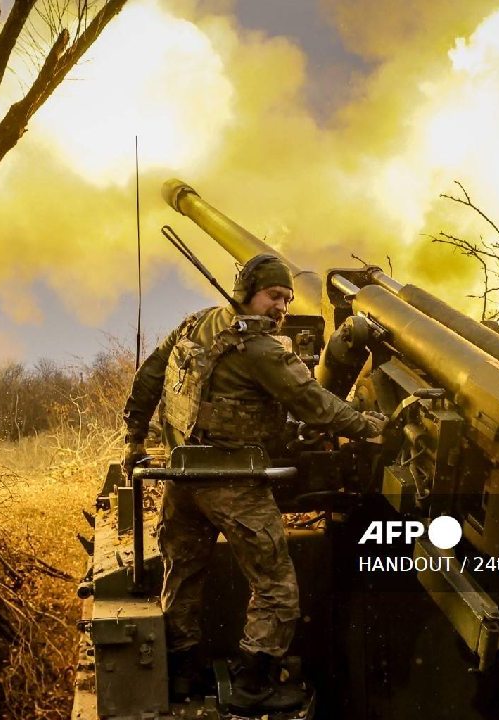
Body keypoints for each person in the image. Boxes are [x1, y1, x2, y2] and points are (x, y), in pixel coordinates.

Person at [121, 253, 384, 714]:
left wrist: (133, 439)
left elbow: (150, 376)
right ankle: (254, 679)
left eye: (286, 299)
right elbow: (314, 404)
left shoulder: (195, 324)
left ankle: (183, 668)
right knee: (277, 587)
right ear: (246, 292)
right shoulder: (263, 350)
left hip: (181, 477)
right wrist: (369, 426)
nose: (280, 308)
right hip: (234, 482)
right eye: (273, 296)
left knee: (183, 574)